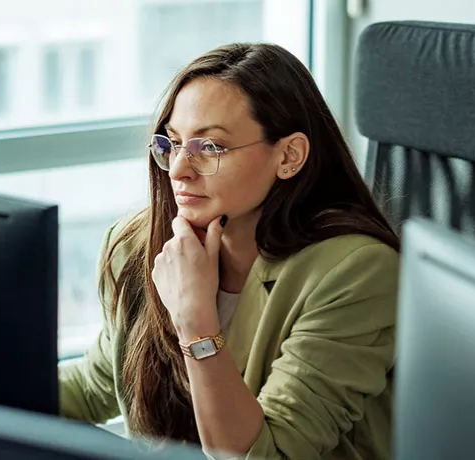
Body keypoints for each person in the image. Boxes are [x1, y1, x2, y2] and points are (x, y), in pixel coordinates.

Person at [59, 43, 400, 460]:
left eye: (210, 148)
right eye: (173, 143)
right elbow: (97, 386)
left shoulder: (355, 272)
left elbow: (265, 454)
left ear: (289, 156)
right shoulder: (136, 247)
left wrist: (195, 320)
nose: (180, 169)